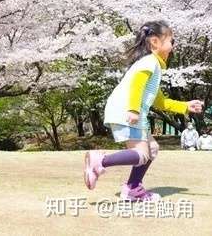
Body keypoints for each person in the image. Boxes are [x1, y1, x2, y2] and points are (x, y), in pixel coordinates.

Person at [83, 21, 203, 201]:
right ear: (155, 42)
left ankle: (133, 189)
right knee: (142, 154)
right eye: (171, 41)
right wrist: (133, 110)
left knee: (152, 149)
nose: (173, 46)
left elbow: (160, 101)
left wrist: (185, 106)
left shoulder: (152, 65)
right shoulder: (149, 63)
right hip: (127, 112)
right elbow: (136, 85)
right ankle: (100, 161)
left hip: (130, 111)